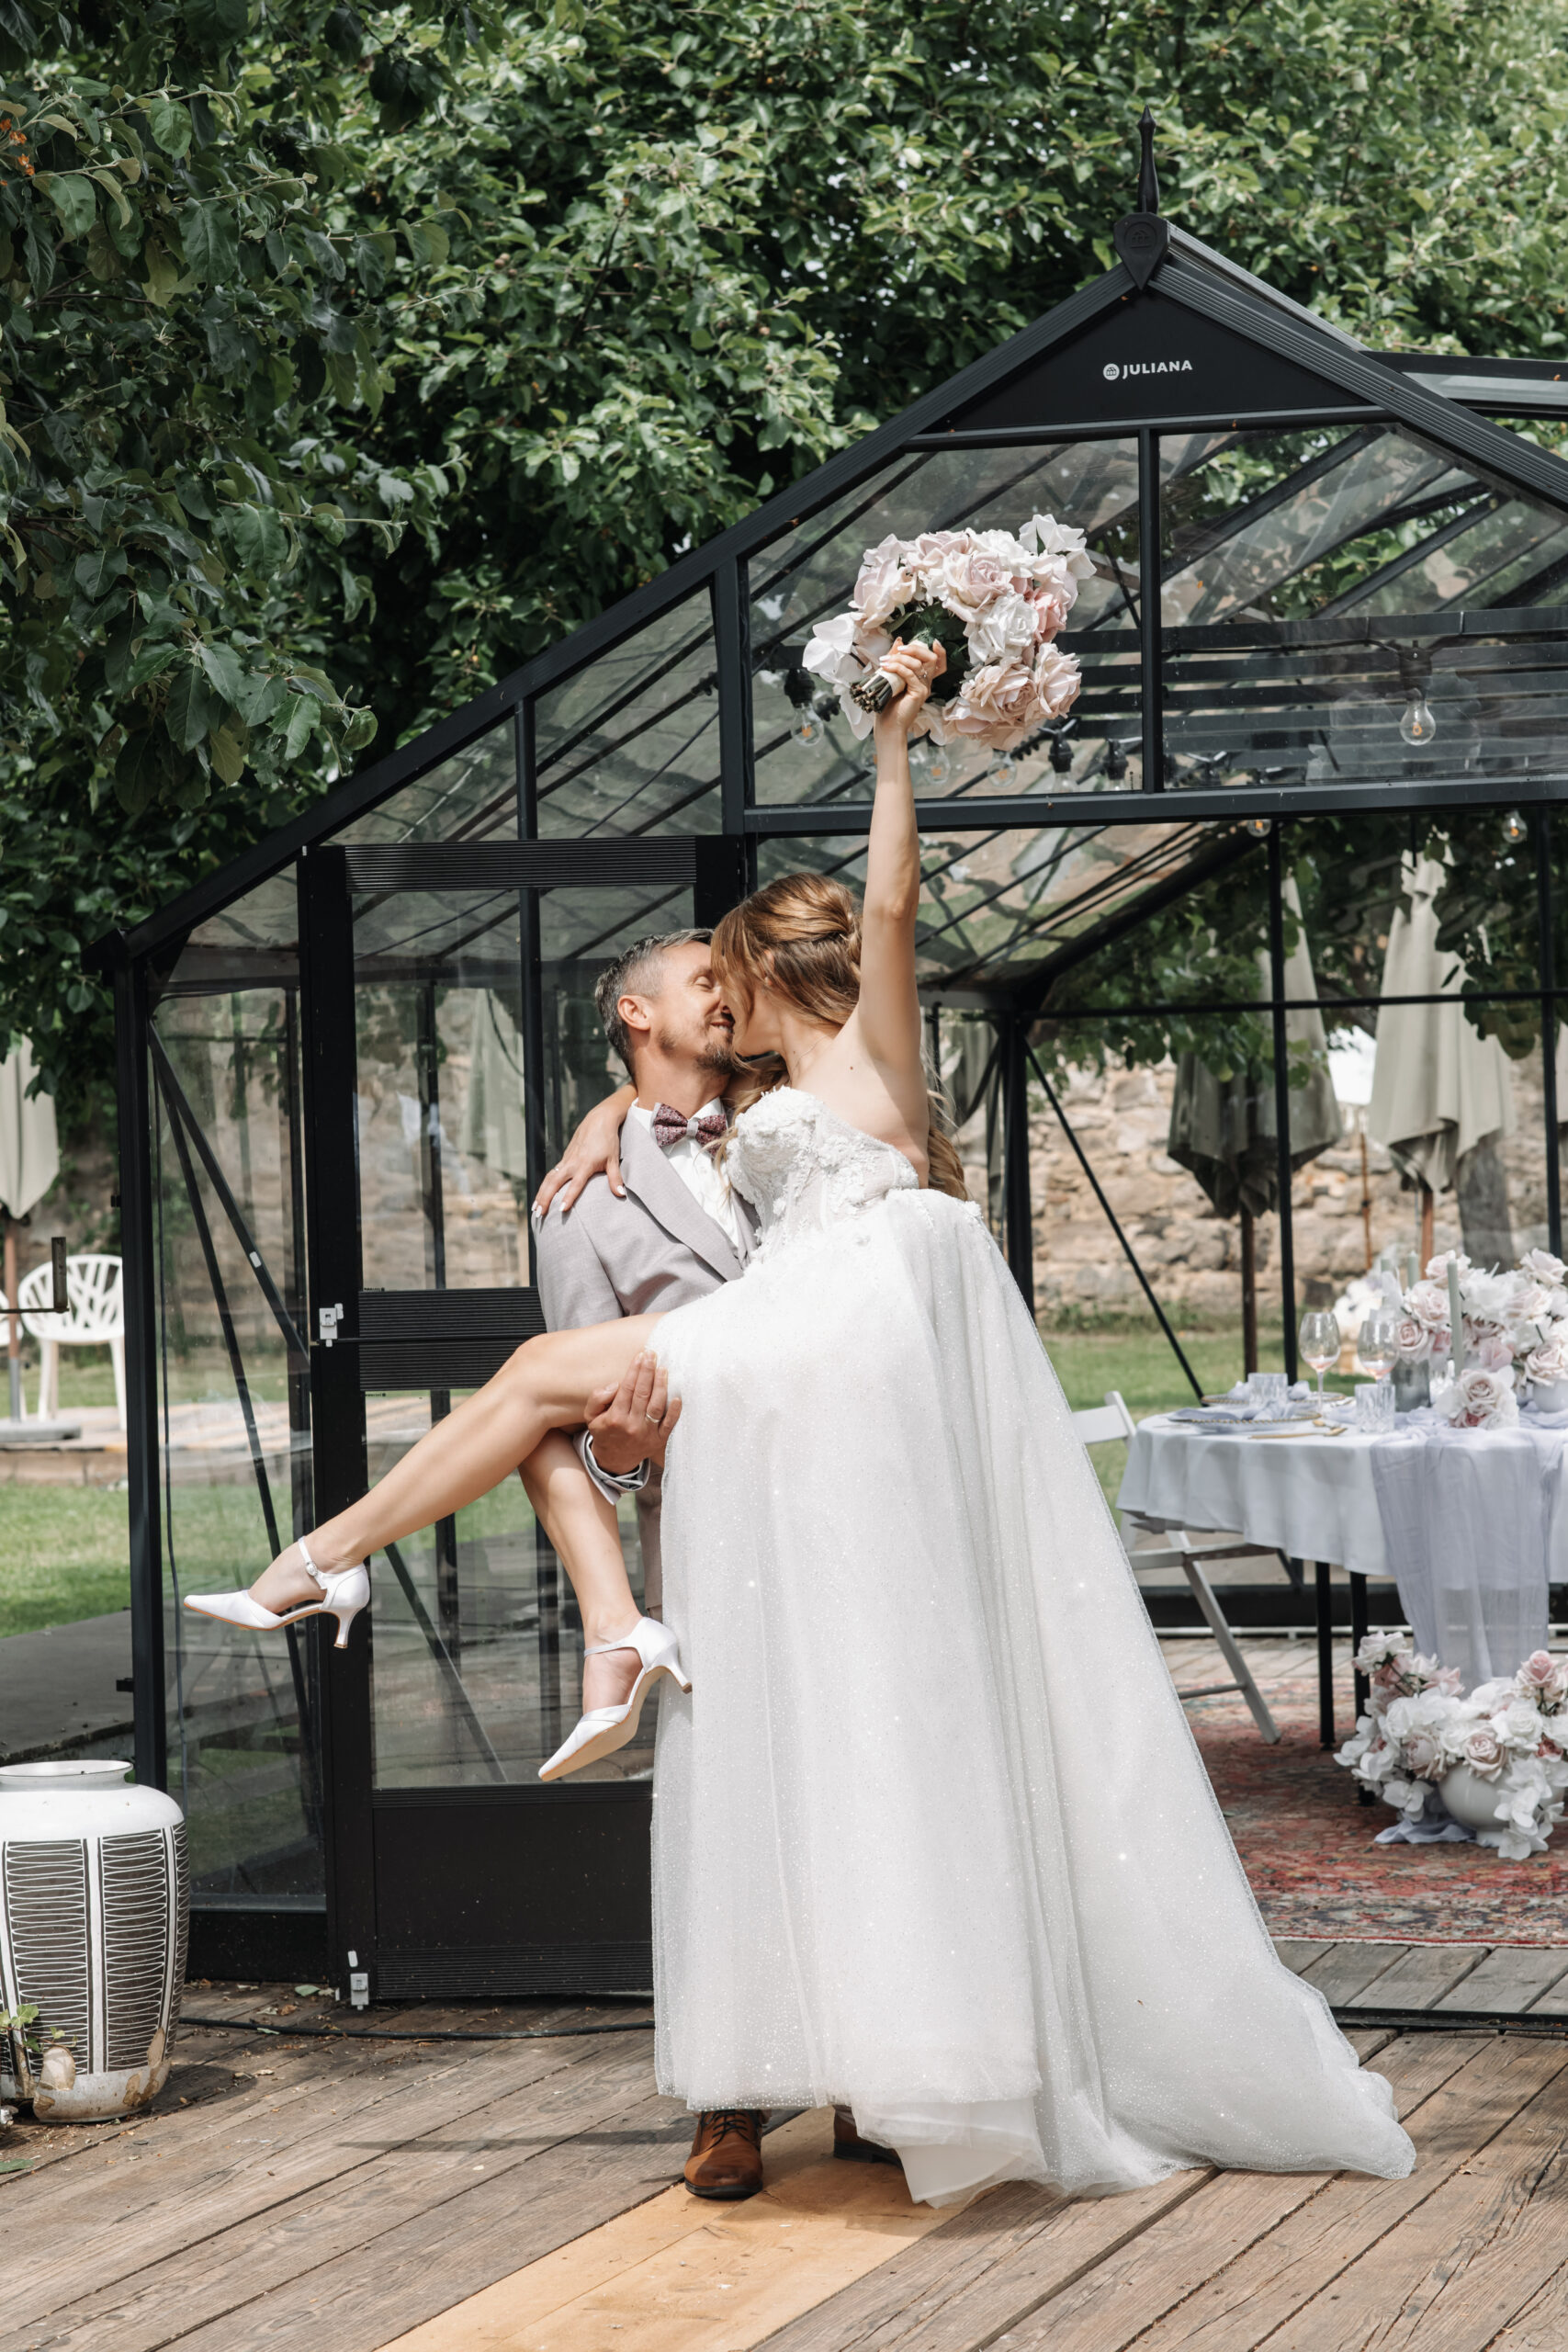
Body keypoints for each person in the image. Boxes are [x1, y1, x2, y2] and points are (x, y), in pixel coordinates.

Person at [187, 634, 1416, 2211]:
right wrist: (598, 1109)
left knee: (527, 1380)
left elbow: (891, 901)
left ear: (770, 976)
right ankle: (351, 1566)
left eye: (726, 977)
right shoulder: (748, 1103)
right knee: (539, 1385)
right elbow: (664, 1099)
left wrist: (896, 741)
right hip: (791, 1354)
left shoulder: (878, 1064)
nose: (717, 1002)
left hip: (830, 1348)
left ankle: (345, 1565)